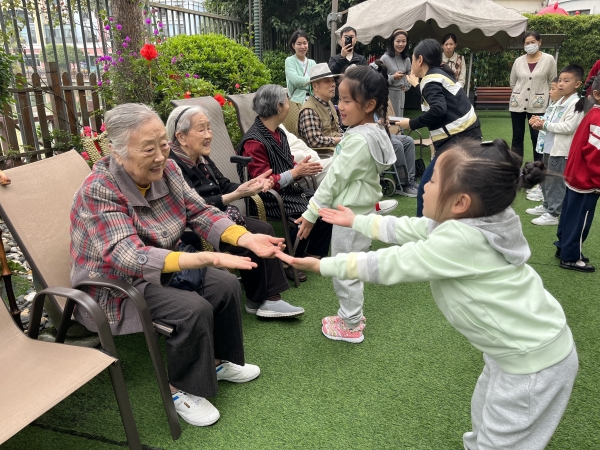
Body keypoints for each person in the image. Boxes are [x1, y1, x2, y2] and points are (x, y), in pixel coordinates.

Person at [279, 139, 578, 450]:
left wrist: (324, 264)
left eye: (433, 180)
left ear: (461, 201)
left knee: (503, 441)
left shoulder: (462, 239)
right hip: (517, 348)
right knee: (485, 419)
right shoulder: (476, 220)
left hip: (533, 360)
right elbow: (413, 228)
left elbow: (392, 264)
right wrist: (357, 221)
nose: (425, 186)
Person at [70, 103, 285, 427]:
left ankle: (216, 362)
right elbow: (127, 254)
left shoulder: (168, 171)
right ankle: (179, 390)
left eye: (163, 144)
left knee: (225, 286)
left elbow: (200, 212)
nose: (160, 155)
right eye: (148, 148)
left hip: (165, 267)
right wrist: (206, 257)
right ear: (117, 152)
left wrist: (244, 238)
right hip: (113, 285)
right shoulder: (99, 190)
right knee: (190, 308)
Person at [166, 105, 305, 318]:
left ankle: (266, 298)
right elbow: (190, 207)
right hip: (195, 229)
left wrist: (251, 186)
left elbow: (224, 185)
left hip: (220, 218)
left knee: (263, 229)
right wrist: (235, 195)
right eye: (201, 130)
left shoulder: (202, 158)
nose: (209, 135)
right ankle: (264, 298)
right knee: (250, 239)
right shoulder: (171, 165)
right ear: (181, 137)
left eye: (209, 129)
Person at [296, 64, 396, 343]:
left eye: (347, 100)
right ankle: (352, 314)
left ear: (369, 105)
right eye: (339, 99)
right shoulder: (372, 130)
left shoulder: (356, 141)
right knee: (353, 264)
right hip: (359, 213)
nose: (340, 106)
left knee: (345, 267)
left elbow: (334, 181)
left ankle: (350, 324)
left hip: (348, 216)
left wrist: (311, 213)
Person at [239, 84, 333, 266]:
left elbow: (287, 164)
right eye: (287, 101)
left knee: (324, 204)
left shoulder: (279, 133)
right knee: (306, 211)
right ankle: (291, 260)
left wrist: (301, 168)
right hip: (267, 197)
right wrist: (296, 172)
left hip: (288, 191)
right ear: (278, 107)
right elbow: (261, 182)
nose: (289, 105)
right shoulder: (253, 141)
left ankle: (313, 254)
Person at [397, 39, 481, 217]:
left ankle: (423, 231)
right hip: (467, 136)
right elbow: (436, 97)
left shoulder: (430, 80)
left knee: (426, 187)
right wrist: (416, 85)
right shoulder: (440, 74)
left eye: (412, 59)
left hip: (458, 141)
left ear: (420, 60)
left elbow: (438, 109)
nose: (411, 64)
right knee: (457, 188)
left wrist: (410, 124)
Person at [526, 65, 585, 226]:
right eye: (560, 80)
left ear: (577, 84)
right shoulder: (559, 101)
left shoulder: (576, 104)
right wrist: (538, 120)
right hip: (549, 146)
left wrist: (544, 125)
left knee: (555, 182)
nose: (561, 84)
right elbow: (549, 119)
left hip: (561, 150)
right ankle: (546, 206)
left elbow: (568, 127)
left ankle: (553, 213)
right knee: (545, 178)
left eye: (566, 81)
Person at [554, 75, 600, 272]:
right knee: (581, 218)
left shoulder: (592, 114)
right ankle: (571, 257)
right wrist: (598, 182)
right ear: (597, 94)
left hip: (576, 174)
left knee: (570, 214)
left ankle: (563, 247)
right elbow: (595, 154)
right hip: (586, 180)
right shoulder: (598, 118)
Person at [509, 30, 557, 161]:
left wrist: (545, 99)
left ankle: (537, 167)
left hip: (539, 105)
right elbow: (513, 82)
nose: (529, 45)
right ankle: (516, 167)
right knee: (517, 137)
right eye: (526, 43)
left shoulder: (549, 59)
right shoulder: (518, 61)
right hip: (517, 104)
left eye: (532, 42)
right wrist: (520, 94)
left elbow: (552, 82)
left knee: (537, 136)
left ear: (539, 42)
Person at [526, 76, 560, 202]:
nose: (550, 92)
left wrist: (542, 123)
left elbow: (554, 124)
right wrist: (538, 119)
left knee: (548, 168)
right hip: (544, 142)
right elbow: (547, 119)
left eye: (553, 89)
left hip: (552, 145)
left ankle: (543, 190)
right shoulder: (552, 104)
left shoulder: (561, 106)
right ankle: (541, 187)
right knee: (543, 164)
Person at [298, 63, 344, 149]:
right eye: (327, 81)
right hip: (321, 156)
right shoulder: (309, 110)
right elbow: (315, 141)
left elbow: (337, 129)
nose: (333, 84)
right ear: (315, 87)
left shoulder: (329, 103)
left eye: (333, 80)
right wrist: (342, 139)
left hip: (335, 150)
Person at [328, 27, 367, 103]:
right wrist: (342, 57)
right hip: (338, 99)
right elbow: (331, 76)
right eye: (346, 37)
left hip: (357, 98)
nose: (349, 39)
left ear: (355, 40)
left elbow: (365, 78)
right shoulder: (334, 59)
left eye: (352, 37)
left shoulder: (361, 59)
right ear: (341, 40)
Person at [380, 29, 412, 116]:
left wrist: (407, 86)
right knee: (389, 121)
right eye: (398, 41)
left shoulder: (407, 59)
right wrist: (393, 77)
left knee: (399, 121)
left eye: (403, 41)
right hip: (388, 94)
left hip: (401, 94)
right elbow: (379, 78)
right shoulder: (385, 58)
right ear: (392, 42)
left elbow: (410, 75)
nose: (401, 44)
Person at [285, 30, 316, 104]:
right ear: (293, 45)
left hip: (312, 103)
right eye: (299, 44)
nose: (302, 46)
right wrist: (312, 81)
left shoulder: (312, 63)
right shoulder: (289, 61)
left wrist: (314, 81)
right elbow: (296, 81)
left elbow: (318, 82)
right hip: (296, 104)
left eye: (305, 43)